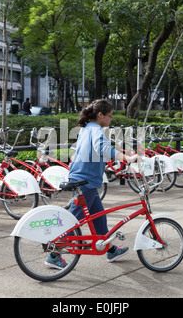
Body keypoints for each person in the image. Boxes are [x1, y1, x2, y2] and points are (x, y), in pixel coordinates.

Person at [45, 99, 138, 269]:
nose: (111, 119)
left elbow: (83, 151)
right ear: (100, 115)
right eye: (109, 116)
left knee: (99, 218)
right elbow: (103, 149)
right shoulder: (95, 129)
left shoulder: (87, 128)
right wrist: (127, 158)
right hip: (85, 182)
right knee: (74, 221)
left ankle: (110, 250)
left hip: (86, 179)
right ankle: (54, 255)